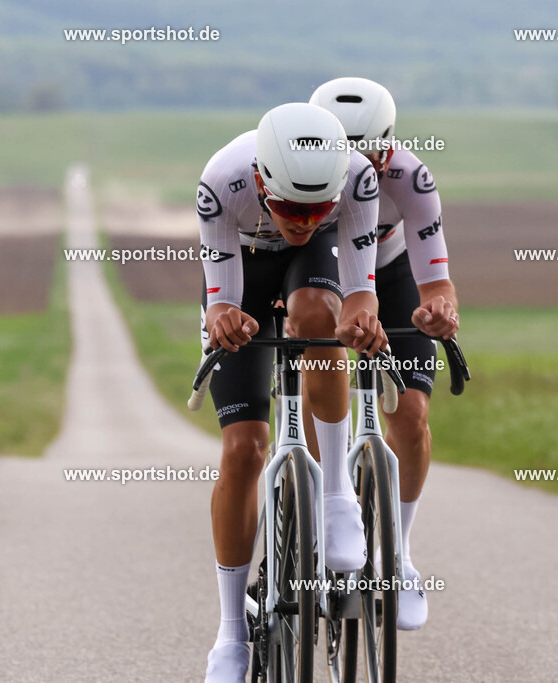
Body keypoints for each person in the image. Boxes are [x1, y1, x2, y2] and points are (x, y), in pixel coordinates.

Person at [199, 102, 388, 682]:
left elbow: (360, 294)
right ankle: (231, 635)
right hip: (244, 269)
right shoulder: (221, 181)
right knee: (244, 451)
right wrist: (224, 319)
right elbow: (222, 300)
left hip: (312, 270)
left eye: (317, 209)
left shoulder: (357, 178)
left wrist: (360, 321)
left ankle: (334, 496)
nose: (302, 221)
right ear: (261, 181)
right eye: (289, 209)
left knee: (319, 316)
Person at [309, 77, 460, 631]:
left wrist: (437, 311)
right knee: (318, 351)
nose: (351, 169)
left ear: (387, 146)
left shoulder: (411, 178)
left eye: (364, 156)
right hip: (319, 259)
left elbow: (438, 282)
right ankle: (325, 498)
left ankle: (398, 555)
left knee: (412, 415)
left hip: (390, 269)